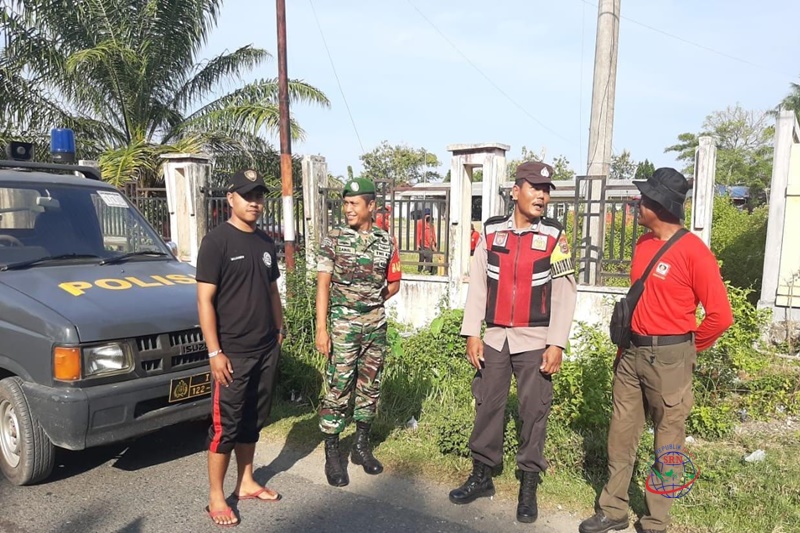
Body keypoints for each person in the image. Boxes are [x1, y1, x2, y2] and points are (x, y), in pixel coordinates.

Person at [579, 168, 733, 533]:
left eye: (643, 199)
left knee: (668, 442)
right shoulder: (643, 244)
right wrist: (624, 350)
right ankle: (613, 509)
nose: (637, 204)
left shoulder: (694, 252)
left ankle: (655, 520)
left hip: (670, 357)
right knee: (621, 433)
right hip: (632, 353)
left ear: (660, 206)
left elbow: (720, 316)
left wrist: (689, 350)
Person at [450, 161, 578, 524]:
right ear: (515, 191)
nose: (542, 195)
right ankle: (482, 475)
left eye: (546, 190)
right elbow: (478, 283)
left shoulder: (554, 236)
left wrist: (556, 343)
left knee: (533, 411)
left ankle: (528, 486)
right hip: (495, 337)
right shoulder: (491, 231)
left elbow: (565, 293)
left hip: (535, 340)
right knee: (487, 405)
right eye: (535, 187)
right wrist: (472, 332)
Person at [196, 168, 286, 527]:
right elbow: (205, 300)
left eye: (259, 196)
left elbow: (272, 290)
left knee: (253, 420)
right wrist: (214, 352)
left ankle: (246, 481)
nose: (254, 202)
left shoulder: (265, 242)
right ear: (230, 198)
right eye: (247, 195)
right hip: (231, 353)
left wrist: (278, 330)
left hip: (265, 348)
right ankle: (216, 497)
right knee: (226, 426)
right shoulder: (216, 242)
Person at [316, 178, 402, 487]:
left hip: (375, 325)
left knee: (370, 386)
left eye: (354, 203)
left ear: (371, 206)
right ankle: (332, 453)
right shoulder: (334, 239)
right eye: (345, 203)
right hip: (343, 326)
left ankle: (361, 447)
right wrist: (322, 328)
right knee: (338, 386)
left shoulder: (386, 241)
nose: (348, 209)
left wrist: (371, 302)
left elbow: (394, 283)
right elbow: (323, 285)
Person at [415, 208, 437, 274]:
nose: (427, 216)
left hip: (429, 244)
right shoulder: (420, 222)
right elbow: (418, 233)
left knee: (429, 257)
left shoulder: (431, 223)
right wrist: (417, 244)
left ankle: (427, 270)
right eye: (426, 215)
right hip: (422, 243)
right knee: (421, 258)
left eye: (429, 215)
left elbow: (433, 233)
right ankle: (420, 270)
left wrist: (435, 242)